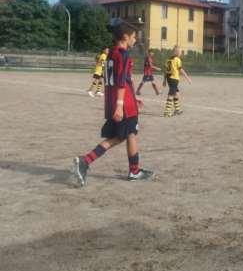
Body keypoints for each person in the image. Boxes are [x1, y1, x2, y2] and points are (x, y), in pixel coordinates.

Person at [72, 19, 153, 187]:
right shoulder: (122, 54)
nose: (135, 39)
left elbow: (117, 80)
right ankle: (86, 161)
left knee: (124, 135)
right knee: (124, 135)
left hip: (113, 101)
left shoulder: (110, 53)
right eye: (133, 36)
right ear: (125, 36)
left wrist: (128, 98)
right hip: (123, 105)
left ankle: (133, 170)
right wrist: (121, 104)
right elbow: (122, 81)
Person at [163, 46, 192, 117]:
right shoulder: (177, 59)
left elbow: (166, 71)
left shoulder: (168, 59)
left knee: (176, 94)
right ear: (176, 52)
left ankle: (177, 110)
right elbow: (181, 70)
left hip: (169, 78)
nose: (181, 53)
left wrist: (164, 80)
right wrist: (187, 78)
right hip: (174, 79)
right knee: (171, 94)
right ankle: (167, 112)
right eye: (180, 52)